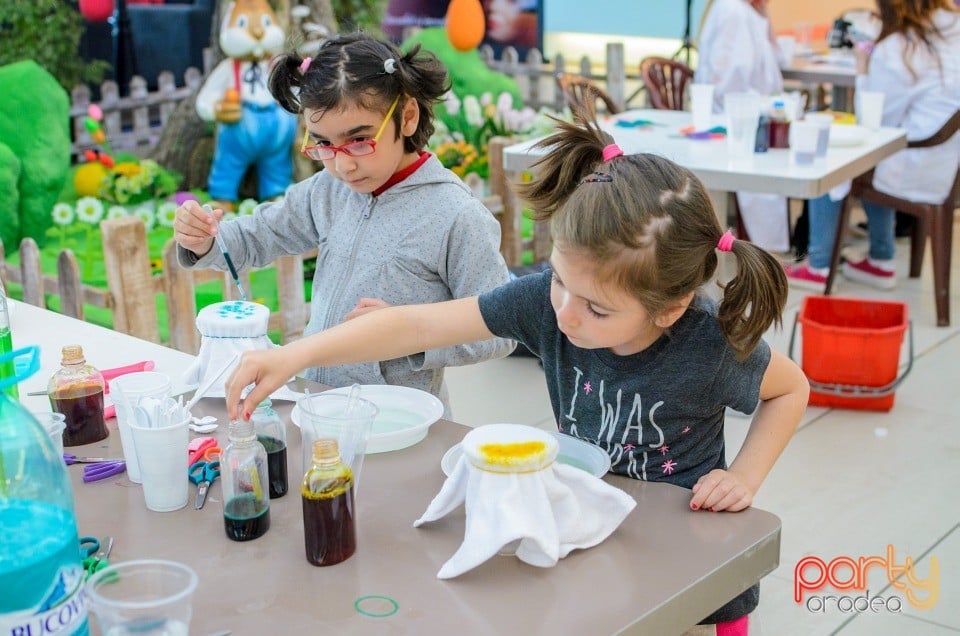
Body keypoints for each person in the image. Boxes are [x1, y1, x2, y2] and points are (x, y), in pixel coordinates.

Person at [224, 106, 810, 633]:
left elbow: (790, 390)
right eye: (559, 279)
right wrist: (293, 354)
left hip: (688, 550)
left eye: (596, 307)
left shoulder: (707, 343)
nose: (565, 313)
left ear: (669, 308)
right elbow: (415, 325)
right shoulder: (546, 305)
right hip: (592, 526)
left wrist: (746, 479)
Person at [174, 33, 515, 415]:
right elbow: (259, 235)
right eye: (323, 144)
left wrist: (411, 335)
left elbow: (500, 328)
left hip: (403, 418)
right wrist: (204, 238)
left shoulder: (456, 214)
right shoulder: (328, 190)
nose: (342, 165)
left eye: (359, 141)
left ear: (407, 117)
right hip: (317, 405)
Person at [786, 0, 960, 290]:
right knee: (871, 157)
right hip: (943, 163)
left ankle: (818, 265)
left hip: (910, 162)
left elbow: (874, 120)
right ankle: (881, 258)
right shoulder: (952, 28)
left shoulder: (899, 47)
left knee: (830, 155)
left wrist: (863, 67)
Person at [695, 0, 792, 253]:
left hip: (746, 113)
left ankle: (768, 252)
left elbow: (778, 59)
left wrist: (765, 16)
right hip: (735, 121)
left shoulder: (747, 12)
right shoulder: (733, 12)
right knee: (769, 173)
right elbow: (729, 83)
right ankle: (765, 255)